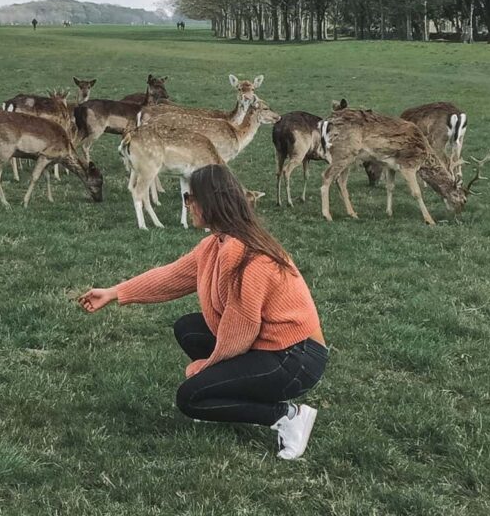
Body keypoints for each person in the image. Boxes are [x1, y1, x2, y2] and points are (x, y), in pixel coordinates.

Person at [78, 165, 328, 460]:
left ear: (210, 201)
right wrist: (115, 292)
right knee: (189, 327)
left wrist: (208, 366)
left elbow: (241, 328)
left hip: (296, 358)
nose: (187, 205)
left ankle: (288, 416)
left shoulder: (248, 257)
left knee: (191, 397)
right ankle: (233, 390)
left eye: (189, 197)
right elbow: (171, 277)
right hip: (272, 345)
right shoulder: (217, 244)